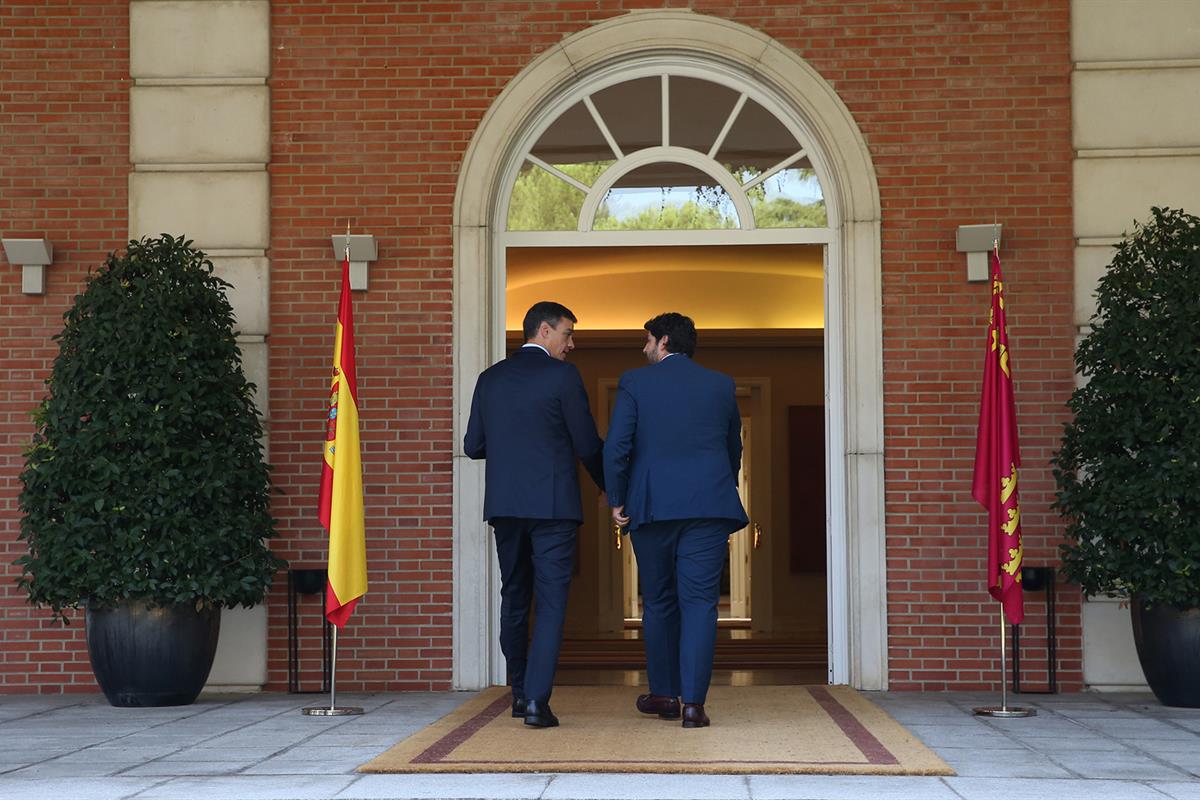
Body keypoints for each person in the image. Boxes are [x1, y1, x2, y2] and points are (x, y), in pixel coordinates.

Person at [463, 301, 605, 728]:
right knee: (552, 602)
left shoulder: (490, 379)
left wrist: (510, 447)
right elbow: (586, 443)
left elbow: (473, 446)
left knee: (515, 596)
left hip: (505, 507)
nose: (572, 344)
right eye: (567, 334)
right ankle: (536, 704)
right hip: (553, 506)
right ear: (544, 331)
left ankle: (520, 690)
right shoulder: (562, 376)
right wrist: (612, 487)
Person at [603, 312, 748, 729]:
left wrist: (616, 499)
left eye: (647, 340)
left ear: (663, 341)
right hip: (707, 507)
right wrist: (719, 486)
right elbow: (732, 447)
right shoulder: (720, 383)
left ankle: (665, 695)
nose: (644, 348)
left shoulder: (635, 381)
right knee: (701, 604)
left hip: (650, 508)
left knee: (660, 602)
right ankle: (693, 706)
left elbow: (617, 447)